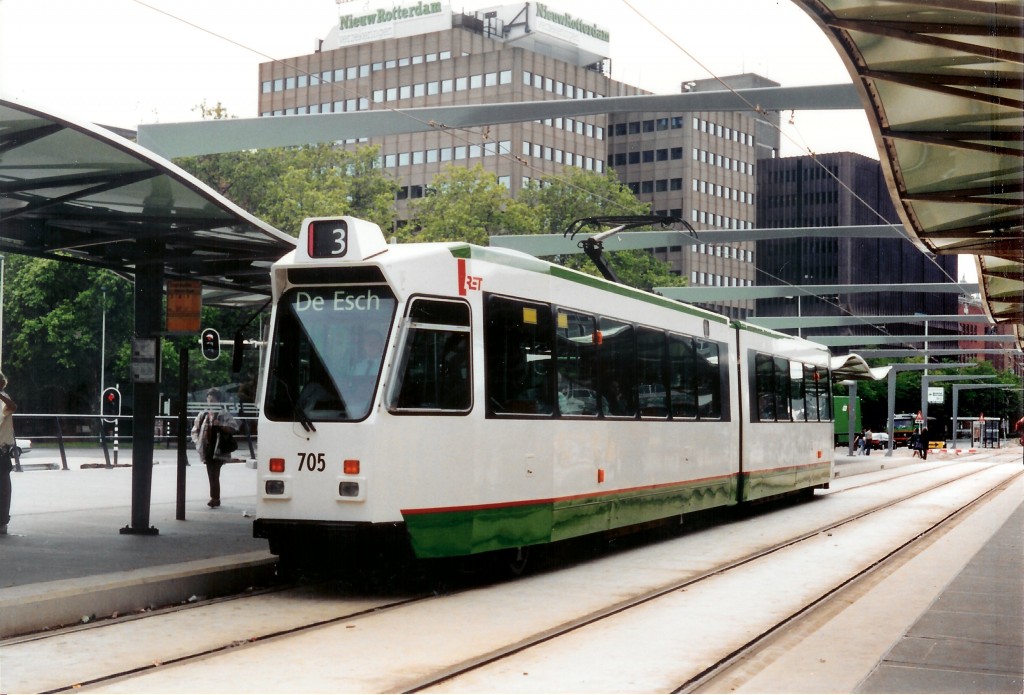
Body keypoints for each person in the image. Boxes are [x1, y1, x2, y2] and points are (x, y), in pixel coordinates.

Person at [191, 388, 238, 508]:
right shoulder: (203, 415)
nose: (210, 403)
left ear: (218, 401)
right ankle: (215, 497)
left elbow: (233, 428)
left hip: (219, 449)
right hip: (207, 449)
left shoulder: (223, 414)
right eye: (208, 400)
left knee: (214, 474)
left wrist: (221, 425)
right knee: (211, 474)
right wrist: (198, 443)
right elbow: (194, 430)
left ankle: (215, 498)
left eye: (213, 400)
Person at [0, 373, 16, 535]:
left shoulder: (4, 398)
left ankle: (2, 521)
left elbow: (13, 407)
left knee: (3, 488)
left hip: (1, 450)